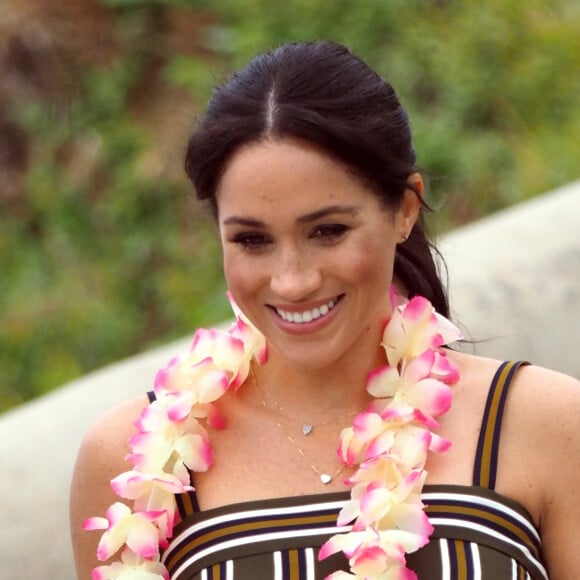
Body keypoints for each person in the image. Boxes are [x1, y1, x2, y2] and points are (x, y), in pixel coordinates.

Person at [70, 41, 580, 580]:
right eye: (251, 240)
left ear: (404, 211)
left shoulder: (544, 424)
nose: (293, 281)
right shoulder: (128, 459)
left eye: (328, 231)